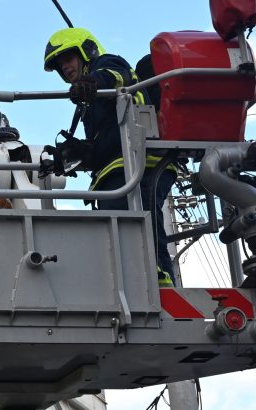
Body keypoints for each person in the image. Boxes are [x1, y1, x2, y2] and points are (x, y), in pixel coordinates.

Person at [43, 27, 177, 287]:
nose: (65, 68)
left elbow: (116, 75)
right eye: (60, 65)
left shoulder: (106, 64)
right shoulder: (89, 103)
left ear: (87, 52)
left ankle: (158, 279)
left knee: (142, 220)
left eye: (69, 58)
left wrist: (94, 81)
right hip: (117, 169)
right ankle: (137, 281)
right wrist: (78, 154)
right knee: (120, 227)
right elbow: (107, 140)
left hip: (143, 163)